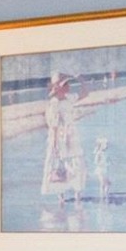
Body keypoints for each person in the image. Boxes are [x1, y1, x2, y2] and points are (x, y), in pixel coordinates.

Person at [39, 70, 86, 198]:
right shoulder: (54, 104)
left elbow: (84, 94)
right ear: (58, 87)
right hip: (60, 138)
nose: (68, 86)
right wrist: (55, 145)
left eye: (68, 84)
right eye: (65, 84)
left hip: (71, 134)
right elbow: (54, 126)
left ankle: (77, 193)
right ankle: (62, 196)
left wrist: (81, 81)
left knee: (76, 163)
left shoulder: (68, 98)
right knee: (60, 164)